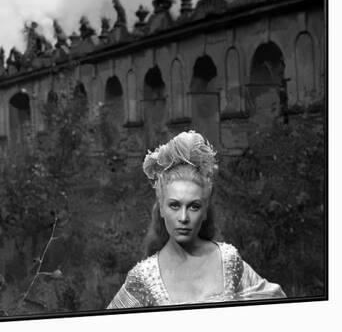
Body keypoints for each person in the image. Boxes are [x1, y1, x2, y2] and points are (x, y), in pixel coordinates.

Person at [107, 131, 286, 308]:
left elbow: (277, 307)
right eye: (174, 206)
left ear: (205, 211)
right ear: (161, 208)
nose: (184, 218)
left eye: (194, 206)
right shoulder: (143, 278)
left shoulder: (228, 260)